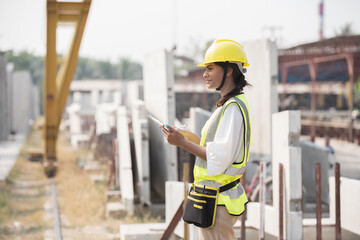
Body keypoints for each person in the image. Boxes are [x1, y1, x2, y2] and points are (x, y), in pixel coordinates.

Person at [160, 39, 252, 240]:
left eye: (210, 68)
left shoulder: (233, 108)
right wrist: (185, 137)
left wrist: (182, 143)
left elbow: (219, 158)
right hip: (213, 200)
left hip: (218, 203)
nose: (204, 74)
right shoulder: (228, 105)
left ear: (228, 70)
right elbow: (216, 147)